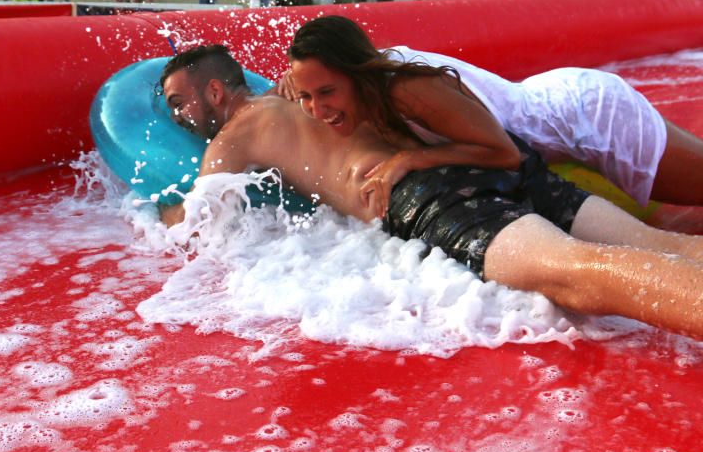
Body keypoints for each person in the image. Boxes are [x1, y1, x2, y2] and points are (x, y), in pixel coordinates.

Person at [157, 45, 703, 337]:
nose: (180, 117)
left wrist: (155, 210)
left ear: (214, 90)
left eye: (181, 102)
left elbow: (199, 223)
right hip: (484, 157)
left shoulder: (235, 133)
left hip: (428, 195)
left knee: (577, 274)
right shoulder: (310, 89)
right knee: (654, 243)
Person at [276, 15, 703, 210]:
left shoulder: (407, 89)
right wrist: (293, 85)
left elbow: (506, 154)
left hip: (588, 118)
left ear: (357, 74)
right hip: (557, 110)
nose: (317, 110)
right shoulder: (362, 82)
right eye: (307, 97)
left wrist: (410, 158)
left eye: (327, 92)